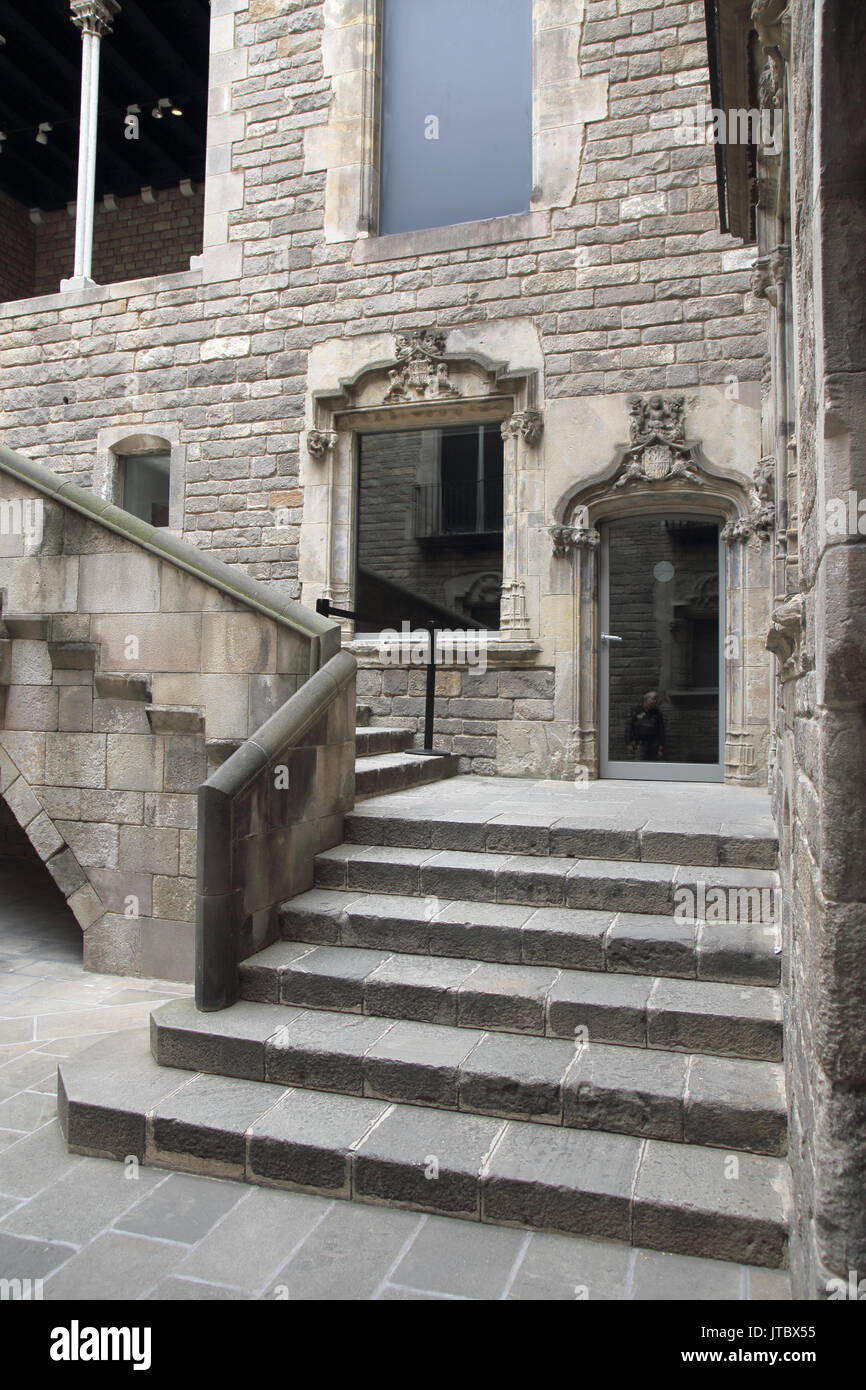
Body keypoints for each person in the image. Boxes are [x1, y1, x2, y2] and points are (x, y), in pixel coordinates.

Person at [628, 690, 665, 760]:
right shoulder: (636, 711)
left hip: (653, 746)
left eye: (656, 699)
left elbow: (661, 731)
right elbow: (630, 727)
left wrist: (660, 748)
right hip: (639, 745)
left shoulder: (657, 713)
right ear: (646, 699)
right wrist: (630, 742)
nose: (655, 701)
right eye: (654, 698)